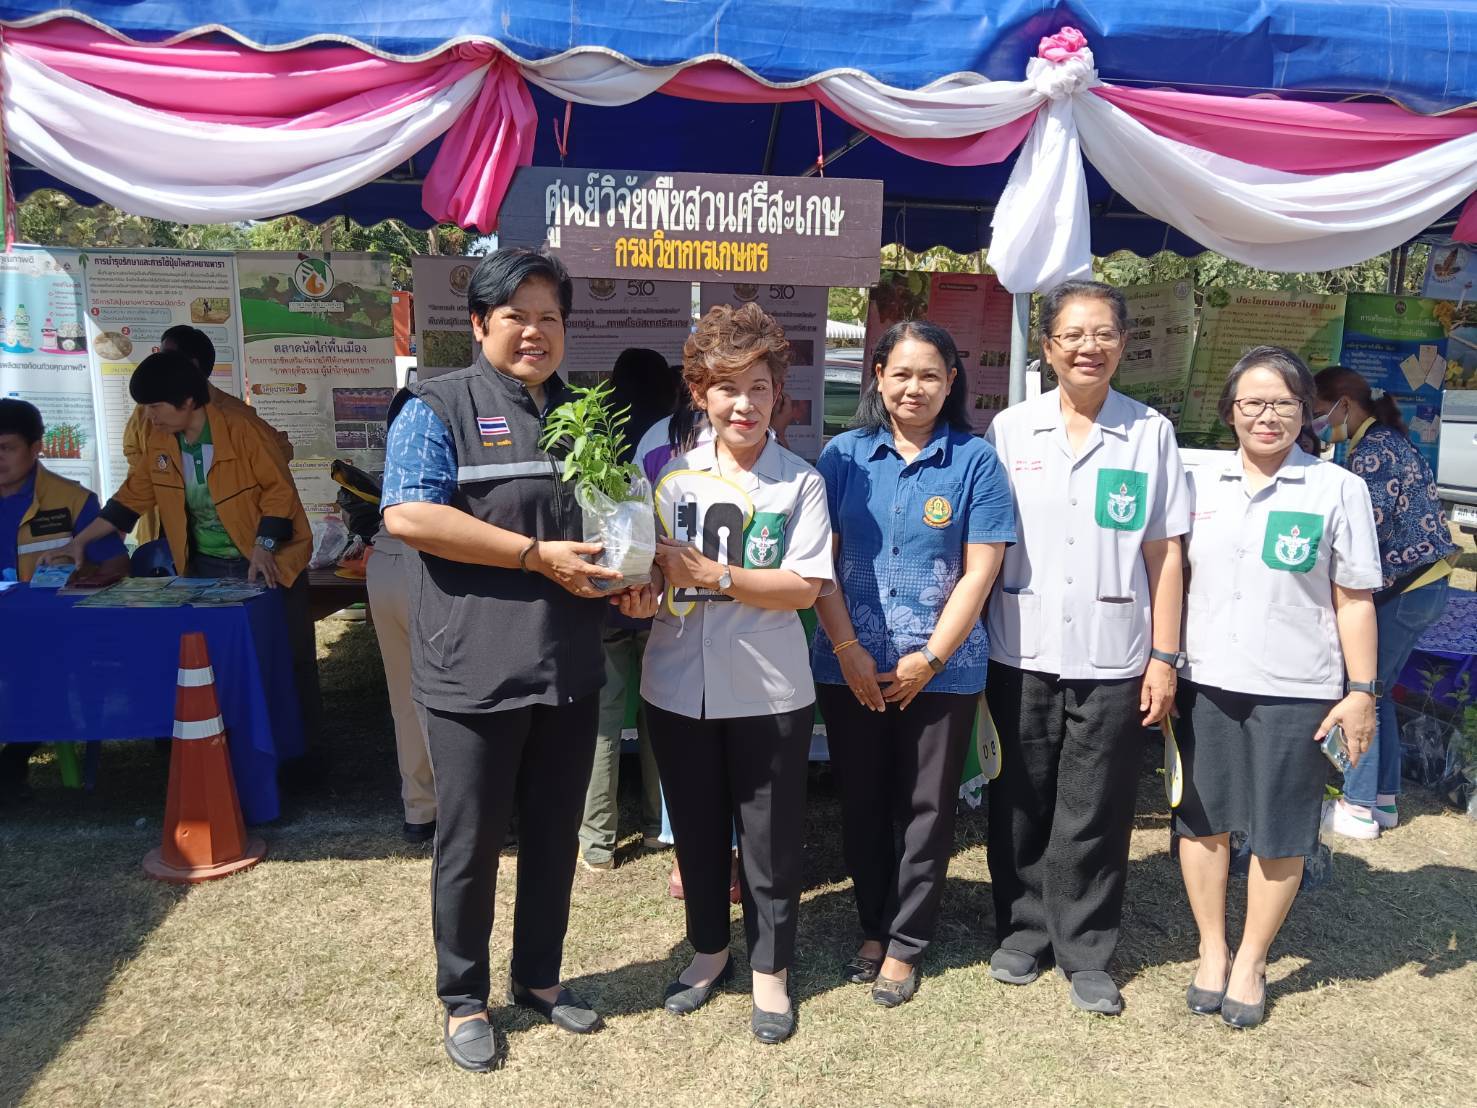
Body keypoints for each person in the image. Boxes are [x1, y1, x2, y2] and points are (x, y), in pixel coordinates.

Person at [381, 248, 649, 1073]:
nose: (535, 333)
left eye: (550, 318)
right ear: (479, 325)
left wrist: (635, 572)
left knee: (554, 835)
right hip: (472, 669)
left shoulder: (586, 415)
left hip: (566, 664)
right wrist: (535, 555)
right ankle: (464, 997)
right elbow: (409, 516)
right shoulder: (437, 406)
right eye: (516, 317)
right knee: (469, 844)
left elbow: (612, 517)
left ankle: (538, 975)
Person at [983, 279, 1189, 1016]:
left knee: (1095, 804)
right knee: (1019, 796)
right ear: (1046, 346)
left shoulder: (1149, 433)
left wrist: (1164, 657)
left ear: (1123, 344)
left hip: (1115, 652)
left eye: (1102, 334)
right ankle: (1023, 929)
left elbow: (1166, 553)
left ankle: (1086, 947)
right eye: (1071, 334)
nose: (1087, 348)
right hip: (1019, 644)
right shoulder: (1012, 429)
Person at [639, 302, 833, 1044]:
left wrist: (716, 576)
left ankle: (770, 969)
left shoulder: (800, 483)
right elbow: (646, 569)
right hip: (676, 683)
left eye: (758, 388)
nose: (743, 404)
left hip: (768, 689)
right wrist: (637, 584)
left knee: (769, 835)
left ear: (778, 394)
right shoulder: (667, 478)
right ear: (699, 394)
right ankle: (708, 950)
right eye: (726, 388)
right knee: (694, 828)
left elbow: (803, 587)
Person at [1177, 347, 1381, 1028]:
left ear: (1307, 411)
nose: (1268, 416)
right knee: (1202, 821)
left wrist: (1361, 689)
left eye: (1284, 403)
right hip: (1204, 680)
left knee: (1280, 831)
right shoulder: (1197, 482)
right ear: (1229, 411)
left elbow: (1354, 599)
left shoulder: (1336, 489)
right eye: (1253, 403)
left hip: (1298, 688)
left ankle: (1251, 959)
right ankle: (1212, 948)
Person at [811, 320, 1014, 1006]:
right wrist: (848, 651)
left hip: (942, 669)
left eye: (930, 375)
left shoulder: (975, 462)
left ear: (952, 382)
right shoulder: (841, 456)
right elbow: (822, 563)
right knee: (863, 800)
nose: (914, 388)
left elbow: (979, 571)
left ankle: (906, 942)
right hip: (851, 666)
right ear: (877, 376)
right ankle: (873, 925)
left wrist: (929, 657)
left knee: (927, 807)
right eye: (900, 373)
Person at [1313, 367, 1456, 839]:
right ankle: (1383, 800)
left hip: (1407, 589)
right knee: (1379, 691)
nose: (1317, 424)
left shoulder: (1373, 452)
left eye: (1320, 413)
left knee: (1363, 690)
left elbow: (1362, 531)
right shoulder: (1386, 442)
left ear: (1345, 406)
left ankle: (1356, 807)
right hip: (1424, 585)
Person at [579, 347, 681, 871]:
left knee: (602, 720)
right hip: (659, 595)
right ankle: (659, 827)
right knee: (658, 714)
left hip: (606, 596)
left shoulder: (597, 438)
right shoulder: (672, 436)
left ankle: (597, 843)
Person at [0, 398, 129, 800]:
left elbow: (117, 565)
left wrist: (80, 577)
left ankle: (14, 759)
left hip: (50, 630)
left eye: (6, 448)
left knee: (38, 663)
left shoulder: (72, 500)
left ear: (37, 447)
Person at [122, 324, 292, 545]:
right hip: (163, 529)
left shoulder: (233, 414)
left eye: (168, 357)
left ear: (192, 366)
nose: (159, 364)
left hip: (219, 540)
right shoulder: (146, 410)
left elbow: (281, 451)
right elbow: (133, 451)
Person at [366, 389, 436, 844]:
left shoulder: (400, 450)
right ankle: (461, 807)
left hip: (385, 566)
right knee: (447, 698)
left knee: (404, 698)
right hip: (427, 571)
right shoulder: (439, 438)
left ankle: (419, 809)